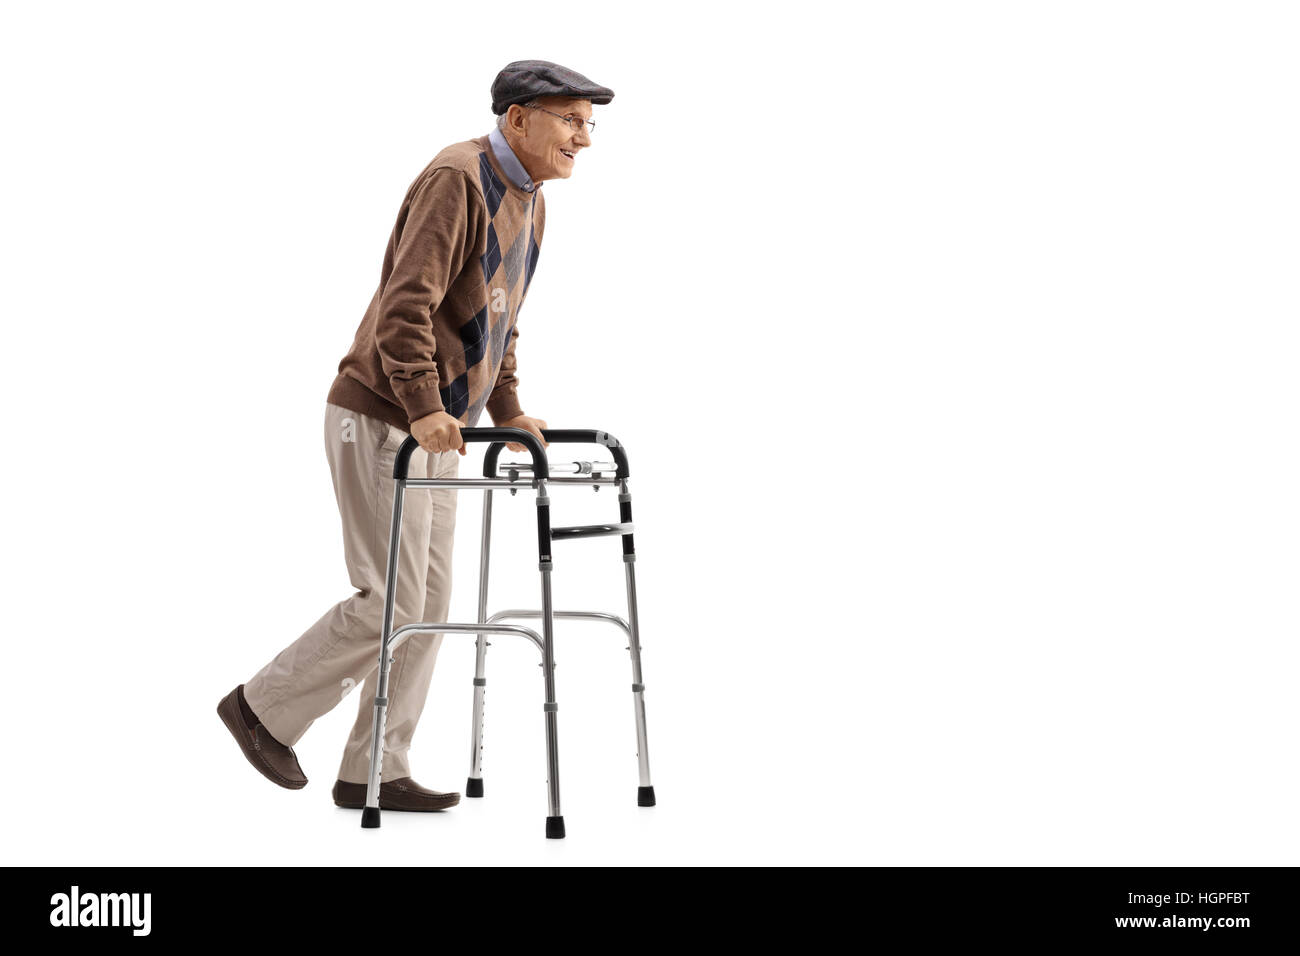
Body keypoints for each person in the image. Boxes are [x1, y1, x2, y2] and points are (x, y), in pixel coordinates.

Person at [217, 60, 614, 813]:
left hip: (438, 428)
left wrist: (509, 409)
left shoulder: (527, 199)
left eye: (589, 125)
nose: (583, 139)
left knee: (429, 601)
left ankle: (376, 766)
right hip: (382, 412)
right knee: (392, 599)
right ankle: (260, 709)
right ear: (518, 118)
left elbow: (496, 314)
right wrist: (425, 402)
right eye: (570, 120)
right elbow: (408, 302)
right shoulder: (457, 179)